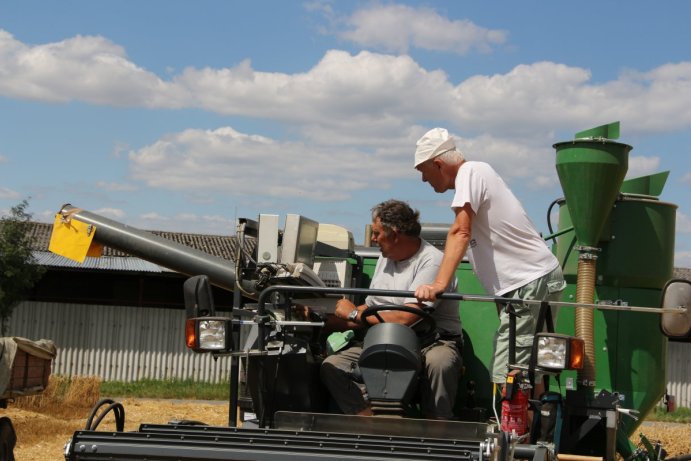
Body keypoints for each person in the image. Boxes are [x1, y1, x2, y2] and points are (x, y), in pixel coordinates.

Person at [412, 127, 566, 393]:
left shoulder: (470, 172)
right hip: (527, 282)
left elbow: (460, 231)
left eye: (423, 171)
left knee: (511, 374)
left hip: (528, 282)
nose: (424, 180)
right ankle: (535, 429)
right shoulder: (477, 175)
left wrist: (438, 285)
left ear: (438, 163)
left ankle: (515, 432)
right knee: (528, 370)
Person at [320, 199, 463, 419]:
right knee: (333, 366)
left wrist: (352, 313)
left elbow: (406, 318)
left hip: (431, 341)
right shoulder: (385, 258)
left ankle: (438, 427)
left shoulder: (433, 261)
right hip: (382, 339)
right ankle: (370, 422)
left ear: (394, 234)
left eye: (377, 233)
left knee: (440, 363)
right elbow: (371, 308)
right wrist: (328, 318)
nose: (373, 239)